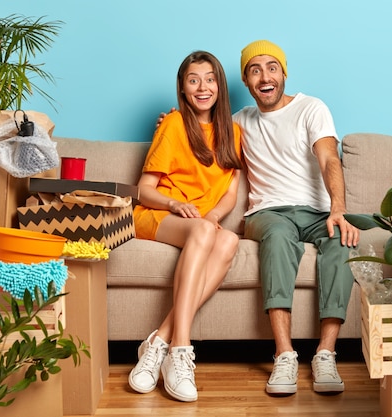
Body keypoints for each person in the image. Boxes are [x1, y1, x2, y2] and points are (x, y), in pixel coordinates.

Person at [235, 40, 359, 395]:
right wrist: (173, 121)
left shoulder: (311, 108)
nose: (264, 76)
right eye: (254, 70)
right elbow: (200, 141)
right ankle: (285, 354)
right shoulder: (239, 121)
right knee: (277, 237)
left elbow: (328, 159)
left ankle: (325, 353)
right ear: (246, 81)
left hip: (318, 211)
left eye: (272, 67)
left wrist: (338, 209)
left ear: (284, 73)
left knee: (341, 239)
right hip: (267, 212)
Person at [128, 50, 242, 402]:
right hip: (160, 216)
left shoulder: (233, 132)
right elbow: (144, 190)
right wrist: (174, 203)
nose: (202, 87)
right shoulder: (173, 124)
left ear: (220, 86)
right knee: (209, 234)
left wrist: (211, 217)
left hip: (200, 223)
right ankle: (180, 349)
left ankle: (157, 341)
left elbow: (230, 194)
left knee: (229, 241)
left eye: (209, 79)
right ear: (182, 87)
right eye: (193, 80)